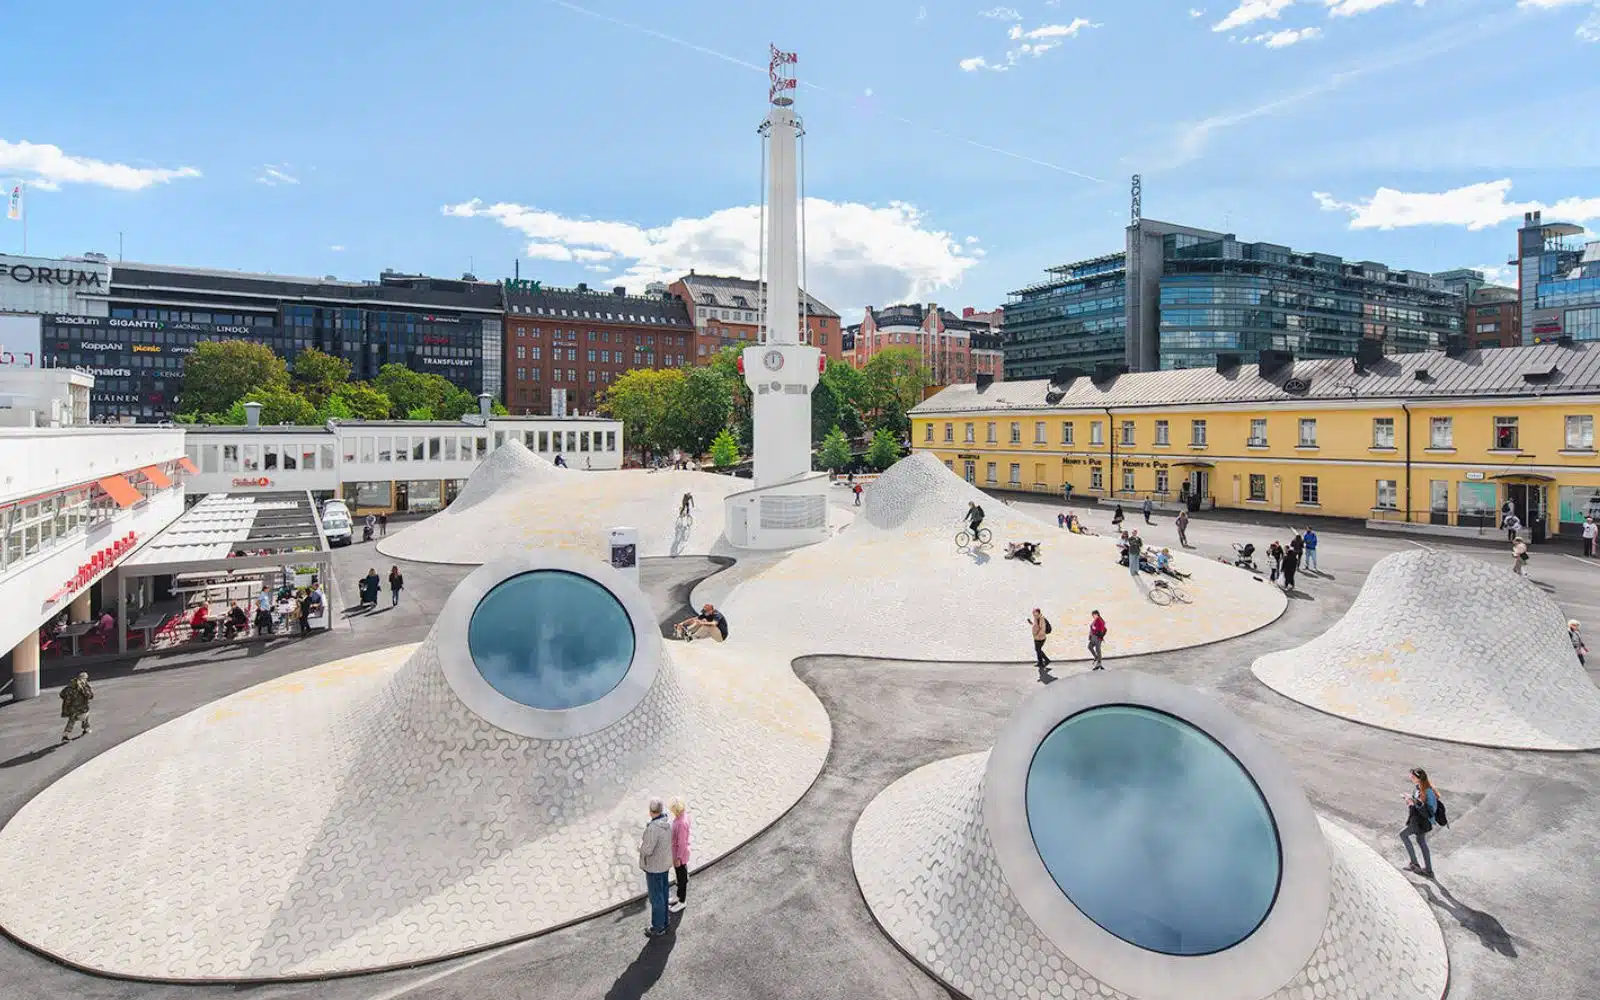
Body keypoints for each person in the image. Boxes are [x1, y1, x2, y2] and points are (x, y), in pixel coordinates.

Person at [639, 799, 674, 937]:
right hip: (664, 865)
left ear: (651, 812)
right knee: (664, 893)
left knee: (656, 898)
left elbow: (647, 850)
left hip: (654, 868)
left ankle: (658, 927)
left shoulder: (653, 828)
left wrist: (639, 847)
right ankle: (665, 921)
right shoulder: (666, 823)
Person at [1401, 767, 1439, 878]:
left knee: (1403, 835)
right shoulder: (1419, 788)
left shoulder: (1427, 790)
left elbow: (1429, 809)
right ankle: (1428, 870)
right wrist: (1410, 800)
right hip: (1419, 821)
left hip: (1420, 822)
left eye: (1413, 777)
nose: (1411, 778)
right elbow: (1418, 803)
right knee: (1421, 841)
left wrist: (1414, 803)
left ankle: (1414, 864)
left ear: (1419, 778)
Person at [669, 799, 692, 913]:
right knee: (680, 877)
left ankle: (682, 901)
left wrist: (678, 857)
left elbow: (682, 843)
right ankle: (678, 896)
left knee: (681, 879)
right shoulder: (683, 816)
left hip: (680, 856)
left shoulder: (681, 823)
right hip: (679, 854)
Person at [60, 672, 93, 741]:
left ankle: (65, 735)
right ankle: (85, 729)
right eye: (86, 678)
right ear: (84, 678)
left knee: (72, 720)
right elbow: (89, 695)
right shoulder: (83, 686)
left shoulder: (70, 685)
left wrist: (68, 699)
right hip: (81, 706)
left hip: (71, 707)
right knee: (86, 716)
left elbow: (62, 694)